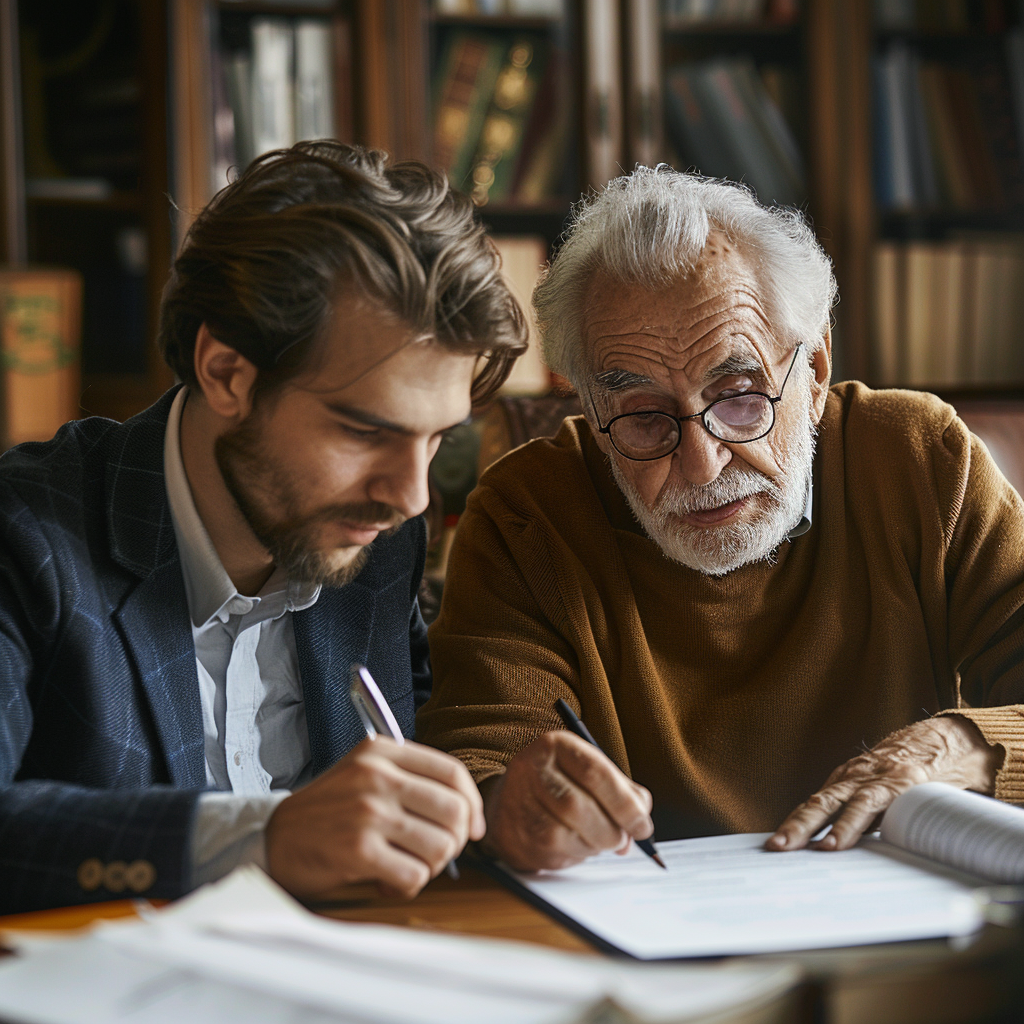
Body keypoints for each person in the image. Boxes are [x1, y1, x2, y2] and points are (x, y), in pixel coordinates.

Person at [419, 166, 1024, 873]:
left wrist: (954, 748)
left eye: (739, 398)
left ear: (816, 369)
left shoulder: (922, 460)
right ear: (589, 406)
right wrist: (512, 805)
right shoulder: (528, 514)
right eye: (643, 416)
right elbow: (483, 754)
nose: (702, 465)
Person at [0, 142, 527, 913]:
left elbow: (415, 747)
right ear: (226, 373)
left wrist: (501, 807)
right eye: (364, 431)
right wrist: (260, 838)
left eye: (438, 438)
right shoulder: (25, 540)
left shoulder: (377, 542)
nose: (411, 495)